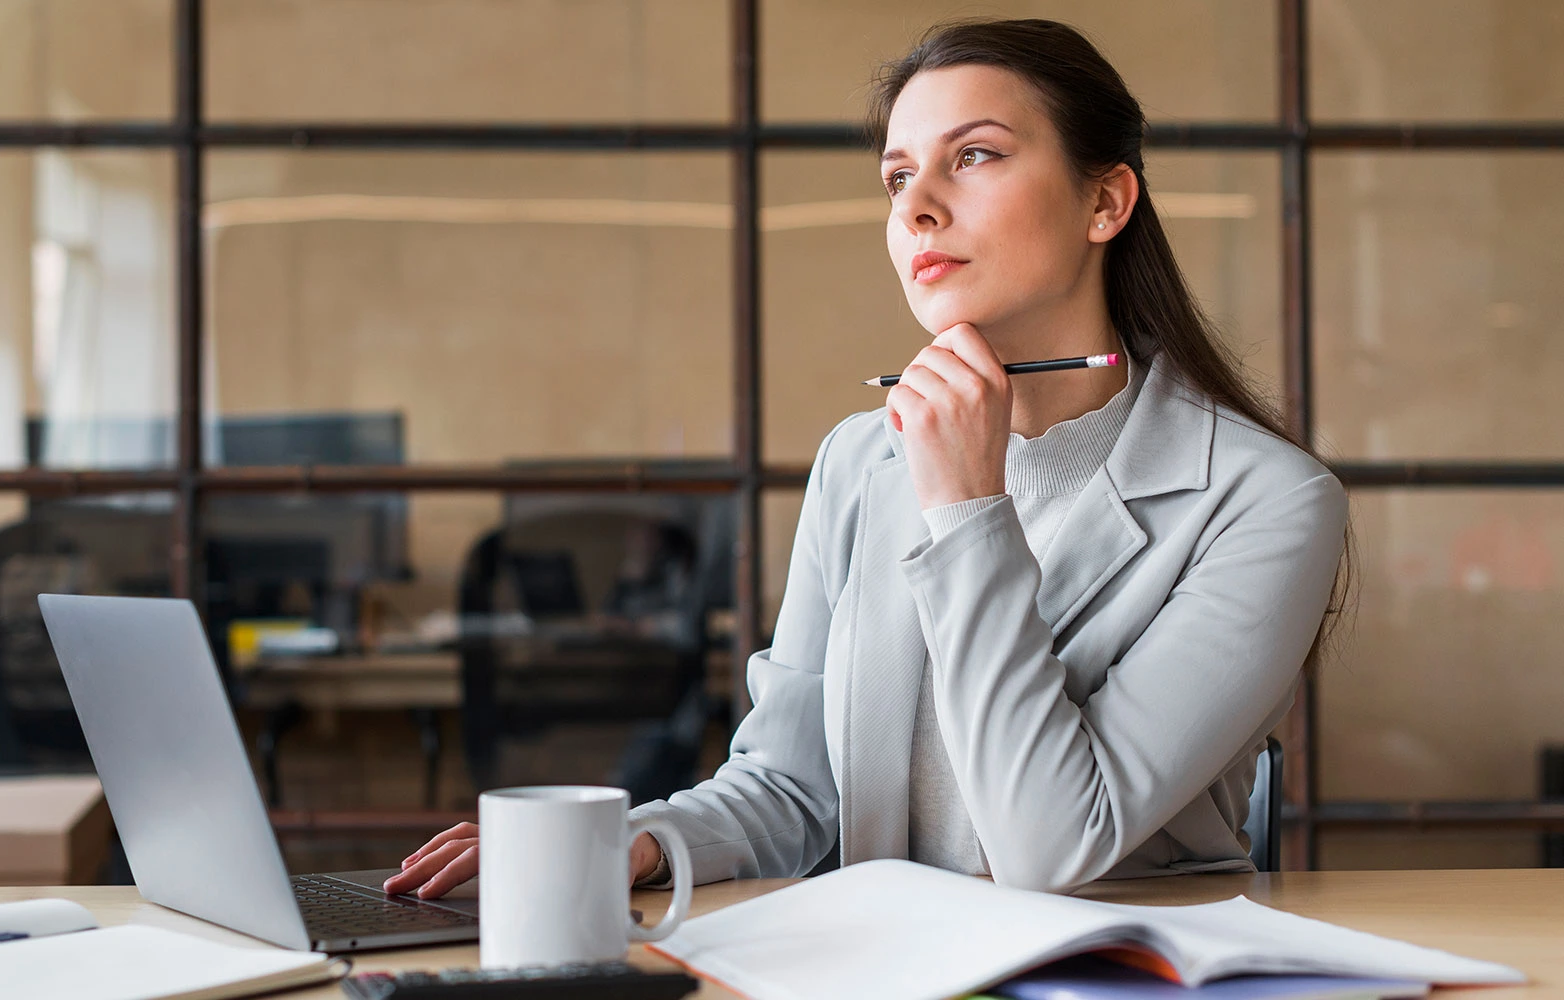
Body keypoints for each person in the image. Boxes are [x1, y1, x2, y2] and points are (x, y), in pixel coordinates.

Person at [385, 17, 1351, 899]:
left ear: (1105, 201)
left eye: (972, 156)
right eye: (897, 177)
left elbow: (1055, 846)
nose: (916, 208)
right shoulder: (860, 461)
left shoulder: (1266, 500)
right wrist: (634, 842)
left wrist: (969, 510)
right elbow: (792, 788)